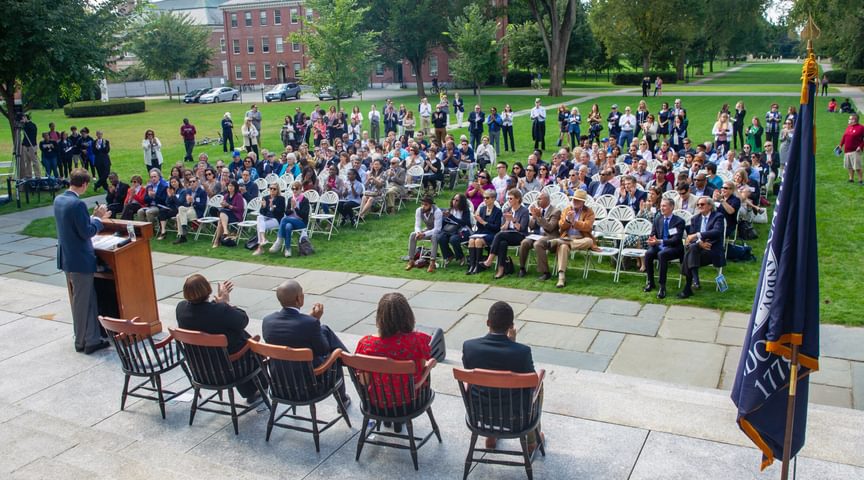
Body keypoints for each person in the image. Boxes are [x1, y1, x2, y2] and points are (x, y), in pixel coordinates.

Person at [461, 301, 543, 452]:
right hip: (515, 417)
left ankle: (491, 437)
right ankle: (531, 442)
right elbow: (532, 383)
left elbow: (469, 373)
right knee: (538, 387)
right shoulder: (522, 352)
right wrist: (512, 343)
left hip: (480, 415)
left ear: (488, 323)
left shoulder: (469, 347)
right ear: (511, 326)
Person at [176, 274, 265, 403]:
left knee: (234, 336)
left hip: (200, 369)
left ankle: (252, 389)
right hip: (227, 370)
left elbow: (203, 312)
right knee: (244, 341)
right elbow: (242, 320)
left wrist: (219, 304)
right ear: (208, 289)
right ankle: (254, 389)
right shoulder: (220, 311)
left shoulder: (181, 309)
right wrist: (225, 303)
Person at [262, 280, 351, 406]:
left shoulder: (268, 321)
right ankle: (344, 395)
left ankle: (351, 362)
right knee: (335, 355)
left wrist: (312, 320)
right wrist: (315, 322)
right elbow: (323, 350)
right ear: (299, 299)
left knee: (324, 330)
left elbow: (292, 331)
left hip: (280, 382)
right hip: (309, 384)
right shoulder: (310, 324)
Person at [355, 293, 432, 433]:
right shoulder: (417, 341)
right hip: (409, 403)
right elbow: (420, 373)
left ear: (380, 317)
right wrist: (430, 365)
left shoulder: (365, 345)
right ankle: (398, 421)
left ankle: (387, 420)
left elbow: (364, 381)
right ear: (408, 315)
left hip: (377, 404)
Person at [54, 168, 111, 354]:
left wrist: (91, 217)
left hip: (68, 258)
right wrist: (99, 219)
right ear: (85, 184)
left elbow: (75, 225)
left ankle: (91, 338)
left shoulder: (59, 199)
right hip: (80, 260)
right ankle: (83, 341)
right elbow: (86, 232)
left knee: (87, 299)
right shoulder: (77, 204)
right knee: (83, 302)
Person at [544, 190, 596, 288]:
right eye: (574, 199)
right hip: (567, 237)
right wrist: (568, 220)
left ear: (583, 202)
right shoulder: (567, 210)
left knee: (589, 241)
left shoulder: (589, 212)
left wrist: (574, 222)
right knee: (563, 247)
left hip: (582, 239)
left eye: (578, 200)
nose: (575, 202)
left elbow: (588, 227)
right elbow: (561, 226)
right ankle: (561, 277)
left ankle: (560, 241)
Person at [678, 197, 726, 299]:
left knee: (689, 254)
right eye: (698, 204)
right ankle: (694, 282)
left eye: (702, 204)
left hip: (712, 250)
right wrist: (699, 243)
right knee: (692, 249)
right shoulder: (695, 219)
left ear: (710, 206)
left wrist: (698, 235)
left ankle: (689, 286)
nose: (699, 206)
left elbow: (717, 232)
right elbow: (690, 238)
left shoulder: (718, 216)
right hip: (697, 251)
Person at [642, 198, 685, 299]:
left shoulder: (679, 221)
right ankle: (650, 282)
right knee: (648, 254)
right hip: (659, 246)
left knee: (662, 255)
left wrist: (660, 241)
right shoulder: (658, 219)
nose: (662, 208)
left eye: (664, 206)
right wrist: (651, 240)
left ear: (672, 207)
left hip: (674, 247)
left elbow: (676, 239)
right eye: (661, 206)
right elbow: (653, 234)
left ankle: (662, 286)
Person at [481, 188, 529, 279]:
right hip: (507, 234)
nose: (509, 200)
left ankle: (489, 260)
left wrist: (513, 220)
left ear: (517, 199)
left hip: (519, 235)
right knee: (502, 243)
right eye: (508, 198)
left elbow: (521, 228)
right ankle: (501, 270)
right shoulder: (507, 209)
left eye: (511, 198)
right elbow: (502, 228)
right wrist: (507, 222)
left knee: (499, 235)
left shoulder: (524, 211)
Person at [517, 191, 560, 278]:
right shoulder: (538, 209)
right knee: (524, 242)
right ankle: (522, 268)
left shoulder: (555, 211)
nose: (537, 201)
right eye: (537, 199)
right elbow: (531, 227)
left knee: (538, 244)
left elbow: (550, 227)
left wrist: (540, 217)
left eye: (540, 199)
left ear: (547, 200)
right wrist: (533, 217)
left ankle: (545, 272)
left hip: (549, 236)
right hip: (536, 235)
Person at [466, 190, 502, 275]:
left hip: (491, 233)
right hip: (481, 232)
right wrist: (478, 220)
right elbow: (479, 226)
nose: (485, 200)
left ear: (493, 199)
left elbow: (496, 228)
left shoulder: (497, 211)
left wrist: (483, 222)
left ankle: (478, 265)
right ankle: (472, 265)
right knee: (471, 241)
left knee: (478, 241)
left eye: (487, 198)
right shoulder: (482, 209)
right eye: (484, 198)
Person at [271, 181, 310, 257]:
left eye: (296, 189)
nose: (294, 190)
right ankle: (288, 249)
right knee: (288, 226)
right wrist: (292, 209)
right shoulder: (290, 199)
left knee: (284, 219)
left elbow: (304, 215)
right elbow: (286, 212)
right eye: (293, 189)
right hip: (290, 221)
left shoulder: (305, 200)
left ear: (300, 189)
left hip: (301, 222)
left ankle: (279, 240)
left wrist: (295, 207)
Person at [405, 196, 443, 273]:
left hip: (437, 232)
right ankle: (411, 260)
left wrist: (424, 234)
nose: (423, 206)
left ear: (431, 205)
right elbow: (417, 225)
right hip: (427, 230)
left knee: (434, 237)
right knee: (412, 235)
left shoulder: (437, 211)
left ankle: (432, 262)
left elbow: (437, 229)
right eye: (422, 204)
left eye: (426, 205)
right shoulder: (419, 210)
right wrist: (418, 232)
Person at [251, 183, 286, 255]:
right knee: (259, 217)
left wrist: (273, 208)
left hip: (276, 219)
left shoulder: (281, 199)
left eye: (274, 189)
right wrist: (264, 207)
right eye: (271, 188)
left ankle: (260, 248)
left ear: (277, 190)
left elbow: (281, 213)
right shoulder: (265, 198)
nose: (272, 190)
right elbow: (261, 212)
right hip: (266, 218)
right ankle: (263, 239)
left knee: (259, 225)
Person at [438, 194, 472, 267]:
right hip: (450, 230)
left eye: (457, 200)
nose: (454, 201)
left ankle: (461, 257)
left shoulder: (465, 211)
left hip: (463, 231)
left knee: (453, 239)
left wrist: (451, 216)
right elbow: (445, 222)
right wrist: (443, 217)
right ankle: (449, 255)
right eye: (453, 199)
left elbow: (464, 223)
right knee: (440, 238)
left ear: (461, 202)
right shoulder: (450, 210)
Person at [212, 180, 244, 248]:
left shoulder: (239, 196)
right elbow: (224, 207)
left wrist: (229, 206)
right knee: (221, 216)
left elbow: (240, 209)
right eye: (229, 185)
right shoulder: (226, 195)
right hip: (226, 216)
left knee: (221, 219)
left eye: (232, 186)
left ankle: (217, 240)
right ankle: (224, 233)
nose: (230, 187)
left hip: (236, 216)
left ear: (235, 187)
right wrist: (223, 205)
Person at [838, 113, 864, 184]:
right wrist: (840, 145)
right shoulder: (849, 127)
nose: (849, 120)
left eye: (850, 119)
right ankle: (851, 179)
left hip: (856, 151)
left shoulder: (861, 128)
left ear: (854, 120)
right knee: (849, 166)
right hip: (847, 150)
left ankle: (860, 180)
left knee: (857, 167)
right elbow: (844, 136)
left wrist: (860, 146)